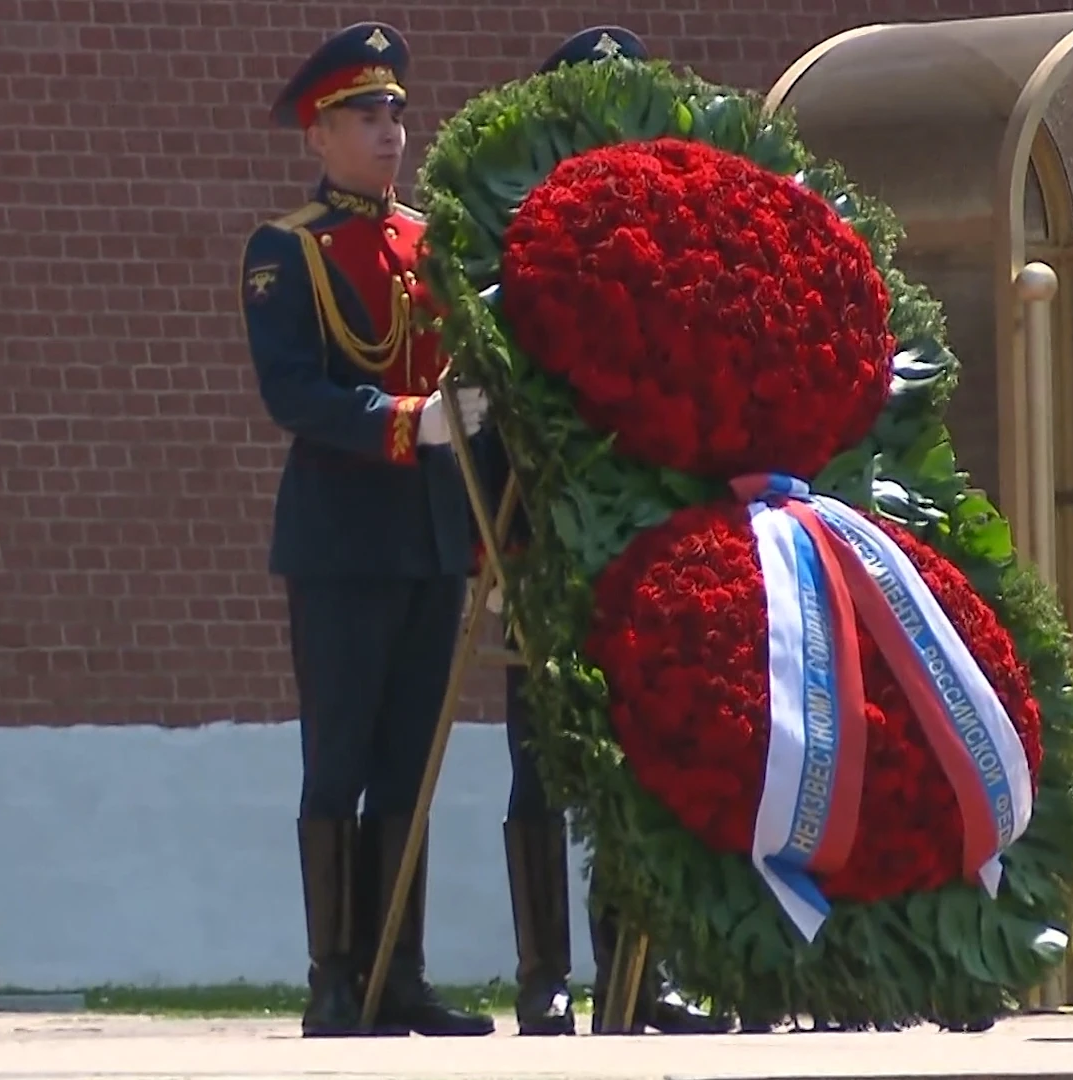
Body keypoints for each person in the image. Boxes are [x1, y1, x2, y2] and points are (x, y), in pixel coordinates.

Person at [241, 21, 495, 1039]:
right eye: (363, 116)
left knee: (410, 761)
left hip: (431, 533)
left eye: (393, 112)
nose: (389, 132)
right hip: (343, 540)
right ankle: (333, 977)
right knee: (339, 758)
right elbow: (294, 391)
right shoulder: (286, 250)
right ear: (319, 136)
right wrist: (406, 422)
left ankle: (400, 971)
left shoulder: (432, 242)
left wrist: (466, 419)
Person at [485, 23, 727, 1038]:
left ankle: (645, 972)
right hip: (544, 540)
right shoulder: (513, 243)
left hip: (647, 538)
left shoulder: (673, 240)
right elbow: (499, 402)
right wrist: (496, 548)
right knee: (543, 760)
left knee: (648, 754)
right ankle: (545, 976)